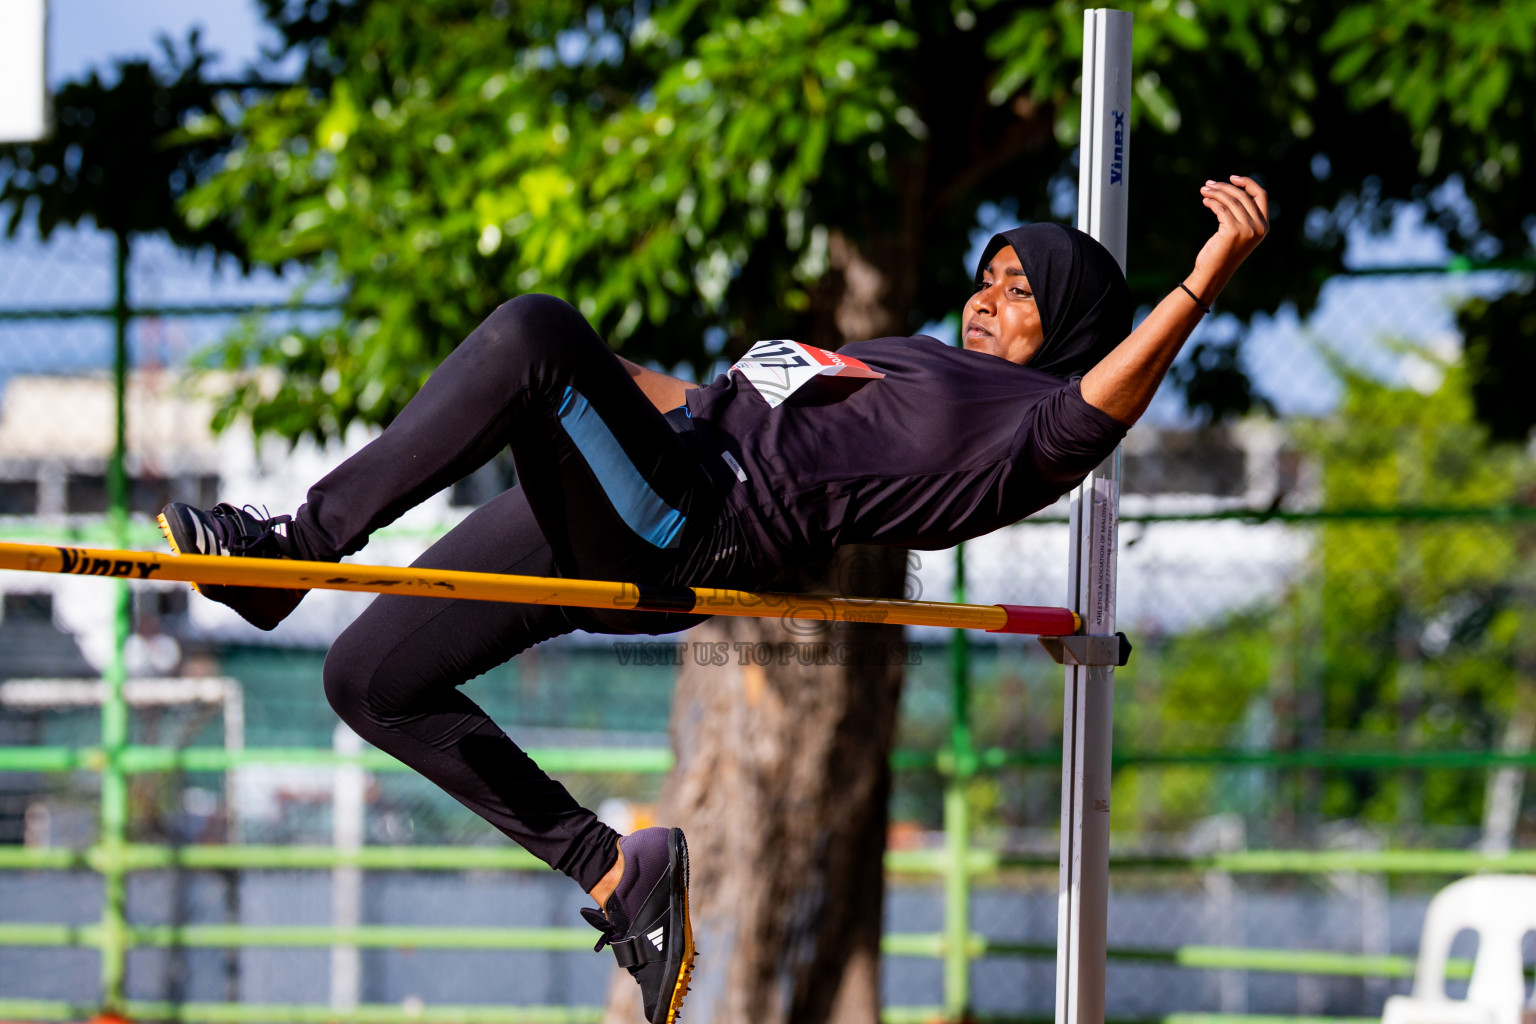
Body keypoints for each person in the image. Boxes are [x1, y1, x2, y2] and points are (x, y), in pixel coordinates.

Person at [158, 176, 1269, 1024]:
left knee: (531, 329)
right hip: (656, 464)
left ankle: (289, 552)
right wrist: (591, 382)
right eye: (986, 277)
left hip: (694, 521)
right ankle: (615, 868)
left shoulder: (1024, 427)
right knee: (369, 676)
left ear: (1071, 332)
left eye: (1019, 292)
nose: (988, 299)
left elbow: (1103, 406)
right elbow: (707, 397)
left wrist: (1207, 274)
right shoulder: (914, 357)